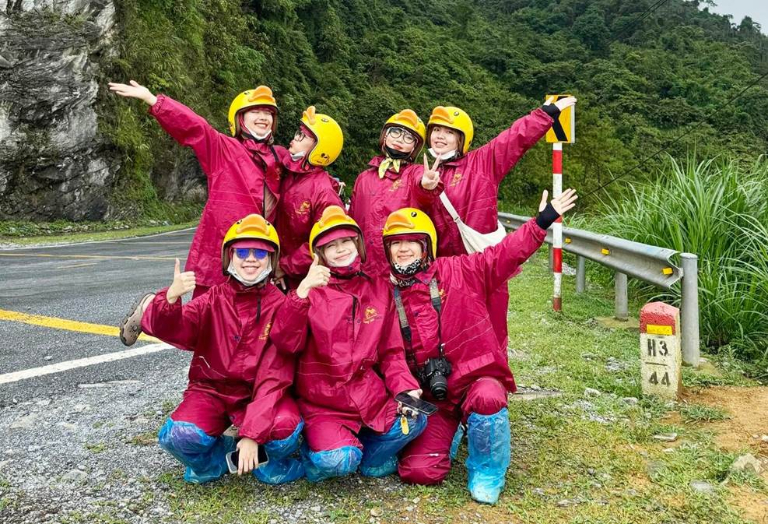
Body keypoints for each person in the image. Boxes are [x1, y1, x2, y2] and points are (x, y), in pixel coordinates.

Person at [381, 188, 578, 504]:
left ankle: (488, 470)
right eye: (396, 244)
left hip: (475, 380)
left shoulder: (461, 270)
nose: (404, 249)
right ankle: (456, 430)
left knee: (487, 398)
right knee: (419, 472)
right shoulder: (386, 294)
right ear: (387, 251)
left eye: (411, 242)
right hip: (436, 398)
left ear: (426, 246)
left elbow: (506, 253)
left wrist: (543, 220)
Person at [110, 81, 286, 345]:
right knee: (201, 331)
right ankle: (151, 310)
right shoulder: (223, 150)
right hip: (221, 253)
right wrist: (154, 101)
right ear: (239, 119)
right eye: (255, 111)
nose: (263, 117)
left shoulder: (279, 160)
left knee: (248, 333)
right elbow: (195, 127)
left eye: (269, 113)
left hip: (258, 256)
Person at [140, 214, 304, 484]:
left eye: (260, 251)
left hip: (259, 394)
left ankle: (270, 463)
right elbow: (177, 330)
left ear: (271, 259)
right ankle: (216, 461)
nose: (250, 258)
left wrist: (252, 433)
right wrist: (169, 299)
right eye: (242, 251)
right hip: (211, 390)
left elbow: (275, 377)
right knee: (178, 436)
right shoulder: (212, 299)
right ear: (229, 257)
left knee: (285, 429)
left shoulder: (281, 305)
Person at [270, 206, 427, 481]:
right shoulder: (310, 290)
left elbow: (391, 353)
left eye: (345, 241)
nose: (340, 249)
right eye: (331, 246)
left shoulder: (379, 289)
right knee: (340, 461)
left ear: (358, 244)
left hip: (369, 397)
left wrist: (406, 388)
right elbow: (285, 343)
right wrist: (302, 292)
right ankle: (320, 448)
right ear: (320, 254)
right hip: (324, 402)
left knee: (417, 418)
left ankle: (365, 457)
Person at [420, 97, 577, 350]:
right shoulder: (418, 174)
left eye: (449, 132)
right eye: (436, 130)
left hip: (485, 265)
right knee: (443, 335)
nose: (440, 136)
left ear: (462, 139)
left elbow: (513, 139)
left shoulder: (482, 163)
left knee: (489, 333)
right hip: (442, 272)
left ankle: (493, 384)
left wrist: (545, 114)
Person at [348, 110, 442, 277]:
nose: (400, 139)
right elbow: (352, 222)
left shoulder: (415, 173)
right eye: (396, 132)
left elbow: (425, 191)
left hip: (400, 268)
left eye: (408, 138)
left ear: (415, 147)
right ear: (385, 136)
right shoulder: (364, 178)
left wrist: (427, 184)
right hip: (364, 268)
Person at [273, 106, 344, 290]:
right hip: (281, 274)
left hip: (306, 280)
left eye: (301, 135)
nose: (294, 138)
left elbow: (323, 242)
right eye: (298, 132)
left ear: (319, 148)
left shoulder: (323, 191)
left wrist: (284, 267)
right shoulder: (290, 173)